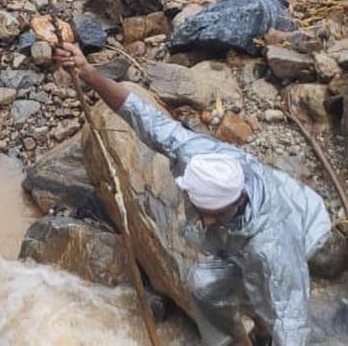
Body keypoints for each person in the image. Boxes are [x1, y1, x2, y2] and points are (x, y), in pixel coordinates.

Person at [54, 42, 332, 346]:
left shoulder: (273, 246)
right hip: (242, 236)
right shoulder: (194, 156)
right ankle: (237, 341)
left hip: (301, 225)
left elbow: (293, 321)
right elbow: (141, 115)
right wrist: (87, 71)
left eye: (216, 213)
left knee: (269, 299)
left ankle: (263, 331)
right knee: (205, 285)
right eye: (203, 211)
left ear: (238, 199)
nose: (207, 222)